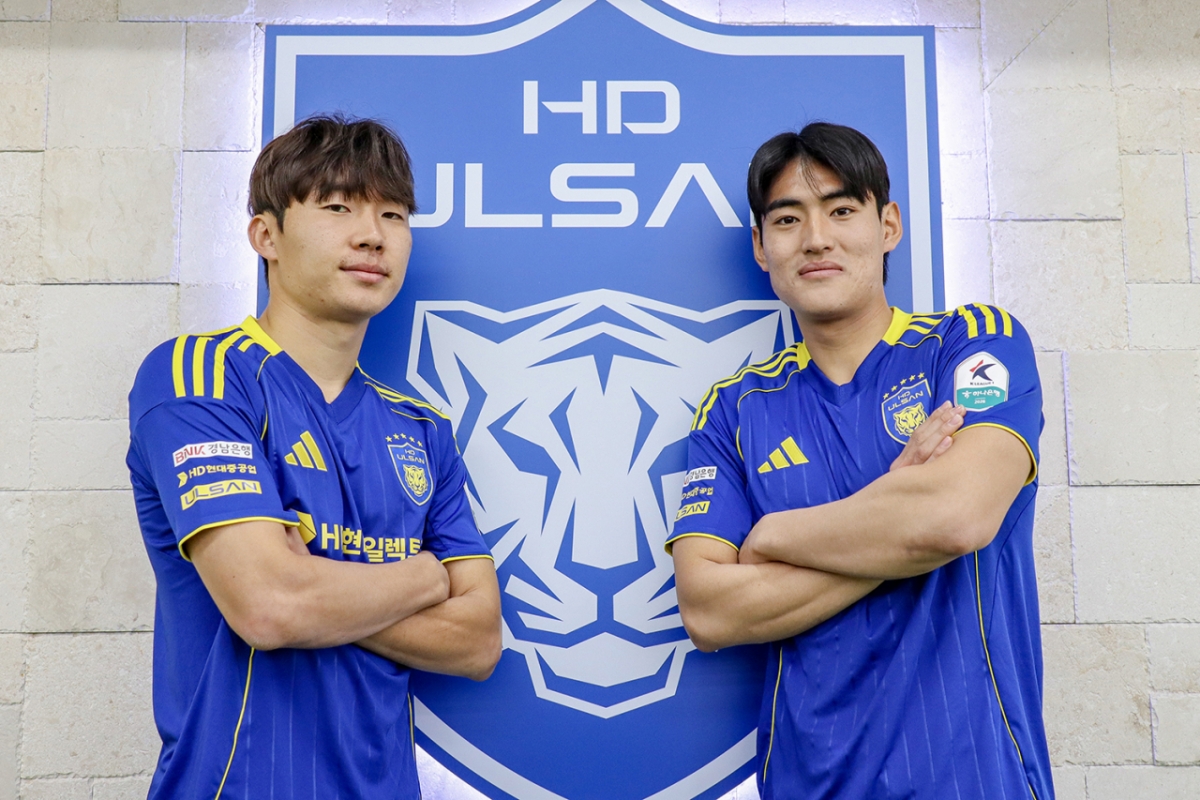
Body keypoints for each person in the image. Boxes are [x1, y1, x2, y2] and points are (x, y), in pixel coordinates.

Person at [668, 122, 1053, 799]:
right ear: (760, 246)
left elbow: (956, 517)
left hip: (973, 778)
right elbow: (709, 611)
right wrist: (897, 505)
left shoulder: (971, 343)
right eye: (788, 219)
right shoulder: (732, 410)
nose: (816, 239)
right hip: (807, 783)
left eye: (842, 210)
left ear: (888, 225)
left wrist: (775, 535)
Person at [126, 115, 501, 800]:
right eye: (337, 208)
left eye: (393, 214)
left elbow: (477, 641)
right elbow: (270, 606)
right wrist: (424, 576)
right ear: (265, 236)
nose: (372, 235)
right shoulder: (199, 376)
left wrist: (317, 586)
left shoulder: (422, 428)